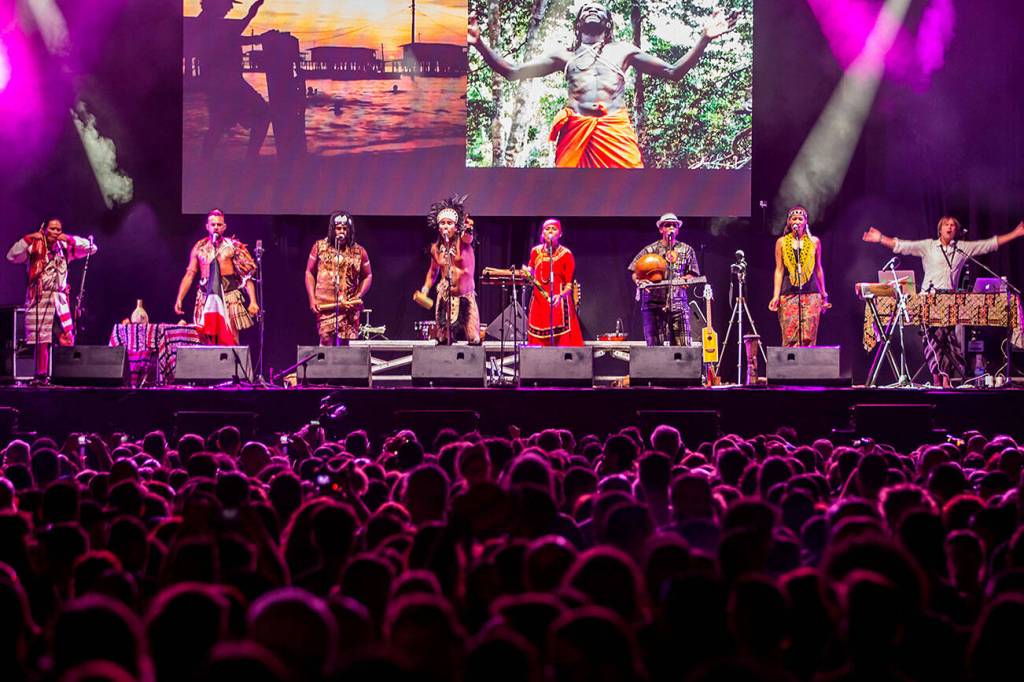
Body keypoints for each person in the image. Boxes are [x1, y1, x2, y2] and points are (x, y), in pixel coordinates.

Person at [466, 2, 735, 168]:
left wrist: (704, 38)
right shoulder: (563, 56)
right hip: (575, 133)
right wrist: (478, 42)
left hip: (614, 132)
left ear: (608, 24)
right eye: (586, 9)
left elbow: (673, 71)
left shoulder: (624, 51)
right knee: (570, 194)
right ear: (578, 24)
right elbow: (512, 71)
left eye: (598, 9)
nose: (592, 10)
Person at [863, 217, 1024, 386]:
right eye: (946, 224)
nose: (950, 227)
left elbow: (988, 244)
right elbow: (902, 246)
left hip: (950, 302)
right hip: (929, 300)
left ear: (956, 231)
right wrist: (880, 238)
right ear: (940, 229)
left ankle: (946, 379)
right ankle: (937, 378)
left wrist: (1015, 233)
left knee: (949, 339)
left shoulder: (961, 248)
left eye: (953, 225)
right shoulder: (928, 246)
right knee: (933, 338)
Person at [6, 218, 97, 380]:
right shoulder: (33, 247)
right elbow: (11, 256)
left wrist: (68, 238)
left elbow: (92, 248)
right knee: (41, 340)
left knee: (67, 338)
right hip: (39, 298)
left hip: (58, 300)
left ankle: (66, 376)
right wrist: (28, 238)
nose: (55, 232)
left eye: (58, 229)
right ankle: (41, 376)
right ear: (44, 229)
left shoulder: (64, 248)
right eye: (52, 229)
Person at [191, 0, 271, 158]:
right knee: (263, 114)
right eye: (228, 3)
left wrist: (259, 34)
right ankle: (250, 159)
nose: (231, 7)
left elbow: (234, 36)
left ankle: (205, 160)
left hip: (220, 85)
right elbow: (235, 33)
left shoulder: (206, 22)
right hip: (230, 84)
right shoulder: (211, 24)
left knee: (218, 125)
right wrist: (253, 13)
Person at [174, 209, 259, 345]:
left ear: (224, 227)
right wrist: (180, 298)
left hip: (229, 297)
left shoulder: (233, 246)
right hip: (206, 297)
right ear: (207, 226)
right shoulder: (199, 247)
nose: (216, 227)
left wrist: (253, 301)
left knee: (231, 338)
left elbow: (246, 276)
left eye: (219, 225)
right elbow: (190, 274)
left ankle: (232, 359)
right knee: (205, 339)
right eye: (213, 224)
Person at [628, 213, 700, 346]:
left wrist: (686, 279)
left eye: (674, 225)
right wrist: (639, 281)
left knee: (682, 348)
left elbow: (693, 273)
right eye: (667, 225)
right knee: (655, 349)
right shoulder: (650, 250)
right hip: (653, 305)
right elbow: (634, 270)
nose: (671, 228)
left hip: (678, 304)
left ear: (678, 230)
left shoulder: (687, 250)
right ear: (661, 229)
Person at [418, 196, 480, 344]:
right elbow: (433, 271)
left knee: (473, 338)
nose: (446, 226)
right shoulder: (435, 248)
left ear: (456, 227)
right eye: (443, 223)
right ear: (438, 227)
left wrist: (468, 228)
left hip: (465, 295)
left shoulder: (463, 241)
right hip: (445, 295)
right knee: (442, 339)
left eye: (449, 223)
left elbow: (468, 236)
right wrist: (425, 289)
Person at [305, 212, 372, 345]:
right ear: (332, 229)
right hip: (325, 305)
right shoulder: (319, 247)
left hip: (348, 306)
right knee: (325, 338)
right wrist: (312, 299)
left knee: (345, 345)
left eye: (345, 228)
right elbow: (309, 272)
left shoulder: (359, 251)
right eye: (338, 228)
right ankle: (325, 360)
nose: (342, 232)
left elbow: (368, 275)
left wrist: (358, 295)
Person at [769, 206, 830, 347]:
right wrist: (775, 295)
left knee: (809, 336)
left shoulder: (814, 242)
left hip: (811, 294)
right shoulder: (781, 242)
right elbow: (779, 270)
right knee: (790, 335)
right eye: (794, 218)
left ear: (805, 222)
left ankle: (807, 362)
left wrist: (823, 293)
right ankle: (790, 361)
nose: (797, 221)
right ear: (789, 222)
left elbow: (818, 268)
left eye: (800, 219)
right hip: (788, 293)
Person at [527, 219, 584, 346]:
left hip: (559, 303)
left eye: (554, 229)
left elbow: (569, 285)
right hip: (538, 303)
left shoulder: (566, 254)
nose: (550, 232)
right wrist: (526, 273)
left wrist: (560, 296)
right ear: (542, 233)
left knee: (563, 344)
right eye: (547, 229)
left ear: (560, 234)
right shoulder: (535, 252)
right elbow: (530, 272)